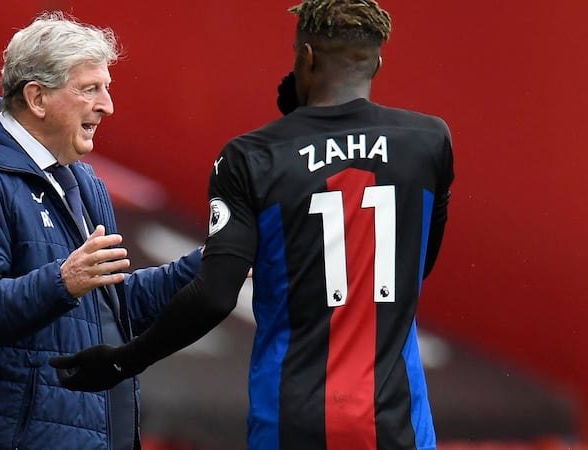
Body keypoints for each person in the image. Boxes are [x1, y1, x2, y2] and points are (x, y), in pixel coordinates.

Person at [49, 1, 454, 449]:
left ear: (306, 57)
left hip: (290, 421)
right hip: (400, 423)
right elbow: (415, 264)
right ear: (377, 61)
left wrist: (123, 361)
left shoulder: (252, 156)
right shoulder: (430, 141)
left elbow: (215, 294)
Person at [0, 11, 202, 450]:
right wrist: (61, 282)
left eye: (106, 89)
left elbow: (112, 308)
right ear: (37, 98)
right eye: (90, 89)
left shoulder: (83, 182)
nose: (107, 105)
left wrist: (214, 263)